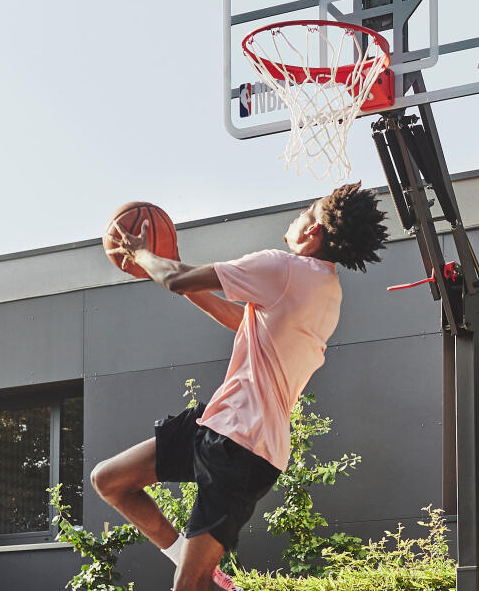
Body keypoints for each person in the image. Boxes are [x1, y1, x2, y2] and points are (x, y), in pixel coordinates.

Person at [91, 183, 390, 591]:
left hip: (241, 445)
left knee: (188, 587)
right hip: (221, 424)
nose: (298, 214)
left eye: (307, 210)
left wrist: (142, 253)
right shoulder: (325, 290)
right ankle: (189, 559)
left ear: (313, 231)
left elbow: (176, 281)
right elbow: (240, 321)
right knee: (110, 480)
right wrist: (173, 267)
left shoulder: (284, 268)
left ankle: (194, 570)